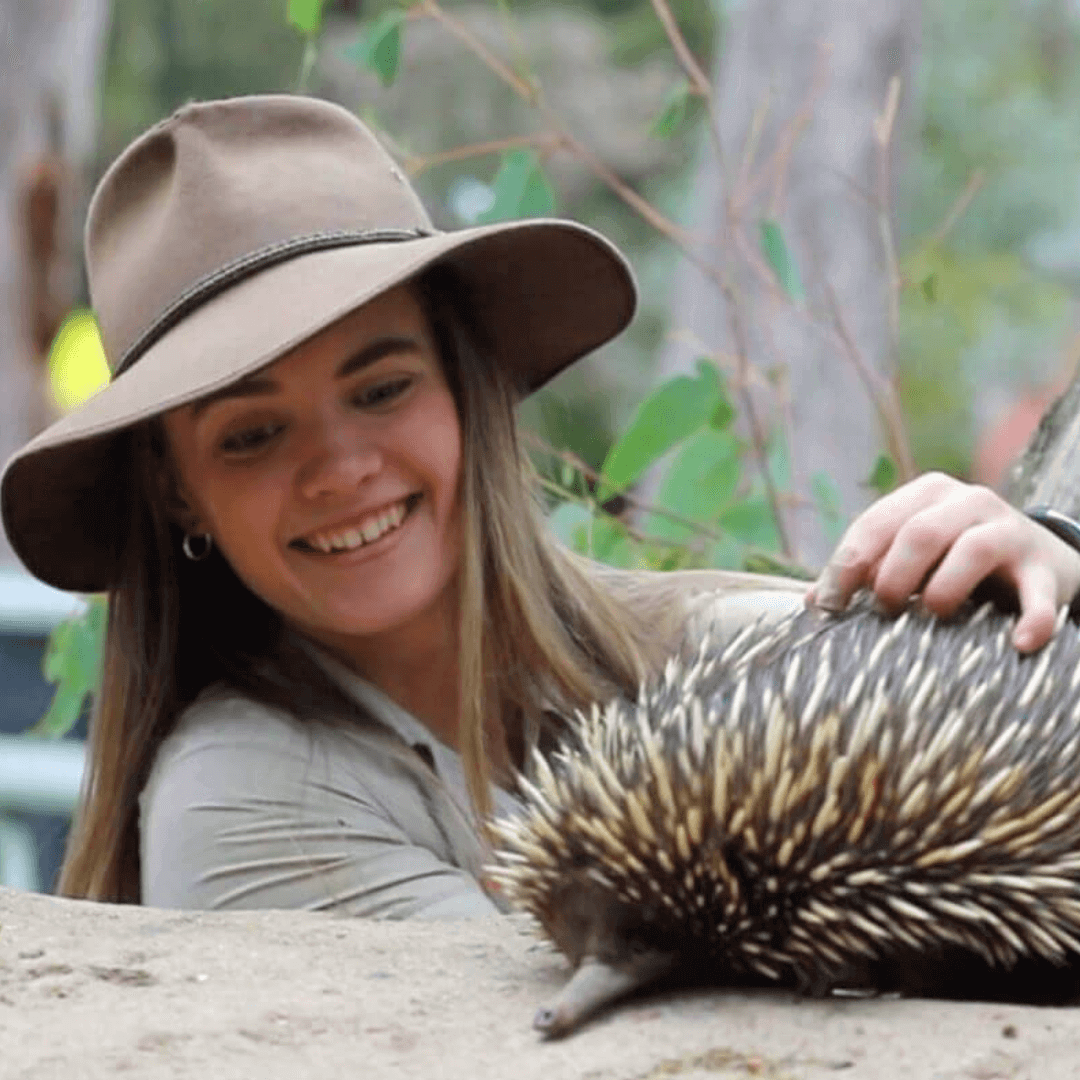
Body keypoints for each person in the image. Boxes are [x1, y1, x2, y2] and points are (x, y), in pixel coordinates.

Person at [3, 95, 1079, 917]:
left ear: (469, 393)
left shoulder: (689, 641)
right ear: (176, 488)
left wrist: (1037, 582)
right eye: (252, 434)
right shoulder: (238, 800)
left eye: (383, 390)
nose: (340, 469)